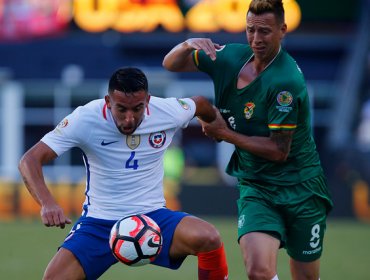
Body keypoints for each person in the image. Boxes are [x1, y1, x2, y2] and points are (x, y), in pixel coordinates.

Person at [162, 0, 333, 279]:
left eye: (265, 31)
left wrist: (223, 133)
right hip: (257, 188)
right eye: (250, 30)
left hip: (302, 188)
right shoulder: (228, 58)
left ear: (282, 30)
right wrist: (187, 44)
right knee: (258, 273)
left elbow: (279, 151)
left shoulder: (285, 82)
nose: (256, 39)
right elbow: (170, 63)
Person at [18, 67, 229, 280]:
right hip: (99, 223)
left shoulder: (167, 111)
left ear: (147, 101)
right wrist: (47, 202)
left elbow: (200, 103)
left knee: (208, 238)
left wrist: (214, 123)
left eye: (137, 109)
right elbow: (30, 160)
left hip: (153, 217)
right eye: (121, 109)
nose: (129, 119)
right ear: (108, 101)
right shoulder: (85, 119)